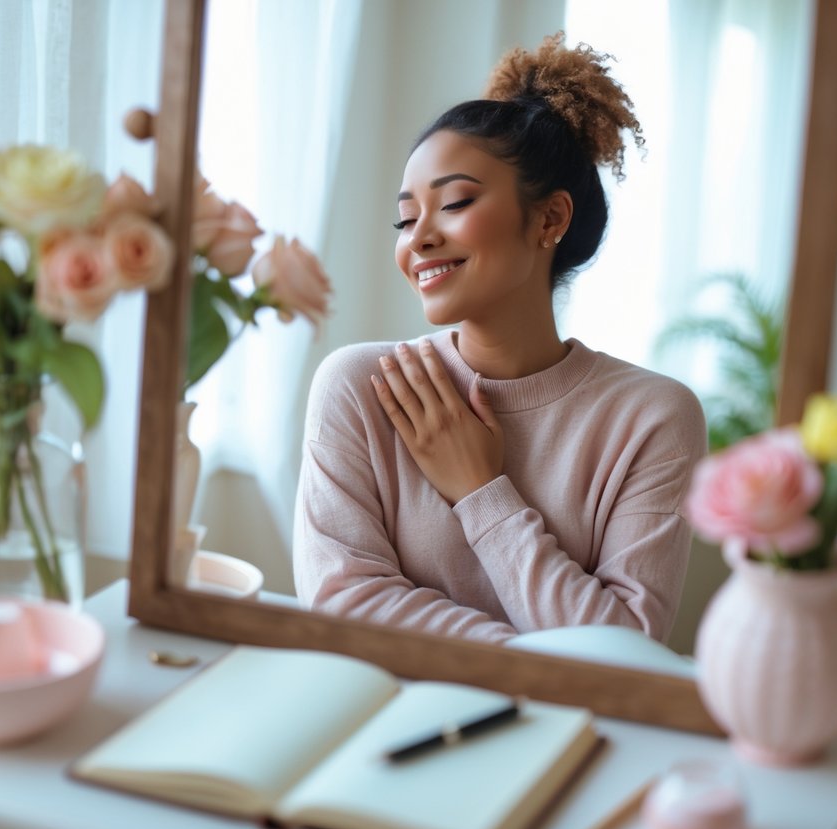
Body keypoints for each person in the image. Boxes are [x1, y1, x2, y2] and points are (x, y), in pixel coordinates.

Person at [293, 34, 707, 646]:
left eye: (455, 202)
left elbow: (625, 651)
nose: (418, 239)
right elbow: (341, 600)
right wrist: (532, 658)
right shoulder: (360, 387)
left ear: (550, 219)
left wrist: (482, 494)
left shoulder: (652, 418)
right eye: (406, 219)